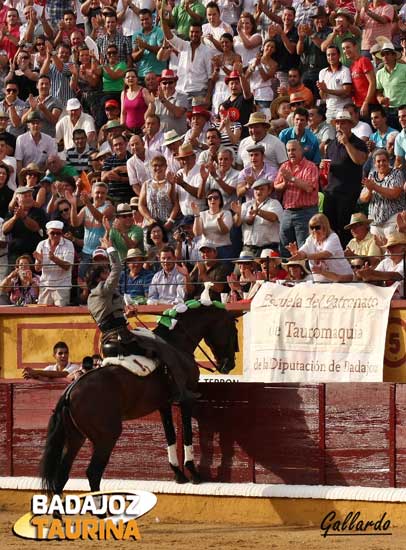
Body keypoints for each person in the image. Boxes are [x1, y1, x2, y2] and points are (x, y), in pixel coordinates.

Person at [86, 237, 199, 402]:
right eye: (104, 272)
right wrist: (110, 248)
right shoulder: (103, 289)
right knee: (161, 347)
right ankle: (177, 391)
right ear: (99, 278)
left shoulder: (91, 297)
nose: (107, 274)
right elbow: (117, 268)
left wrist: (126, 316)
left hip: (108, 338)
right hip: (122, 337)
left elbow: (108, 319)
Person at [322, 109, 368, 246]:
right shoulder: (330, 145)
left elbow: (360, 160)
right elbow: (327, 166)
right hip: (331, 193)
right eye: (338, 123)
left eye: (343, 123)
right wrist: (322, 167)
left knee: (346, 230)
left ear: (350, 125)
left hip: (348, 194)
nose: (340, 126)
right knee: (329, 229)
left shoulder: (358, 142)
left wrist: (347, 143)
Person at [274, 140, 319, 256]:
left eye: (293, 150)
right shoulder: (285, 166)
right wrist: (284, 184)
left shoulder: (310, 167)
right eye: (288, 150)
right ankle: (288, 273)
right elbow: (276, 186)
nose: (291, 153)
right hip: (287, 212)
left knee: (303, 248)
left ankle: (305, 273)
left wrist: (292, 179)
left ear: (301, 150)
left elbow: (309, 188)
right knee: (285, 247)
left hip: (305, 213)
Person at [287, 213, 353, 283]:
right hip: (321, 283)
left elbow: (325, 254)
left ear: (325, 227)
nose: (314, 230)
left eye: (317, 227)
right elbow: (303, 252)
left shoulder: (333, 237)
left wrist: (306, 256)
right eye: (312, 228)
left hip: (342, 280)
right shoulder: (310, 239)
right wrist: (296, 253)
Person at [360, 148, 406, 238]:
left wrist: (374, 187)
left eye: (384, 160)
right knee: (377, 251)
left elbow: (394, 194)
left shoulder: (397, 174)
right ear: (374, 163)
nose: (381, 163)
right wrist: (369, 190)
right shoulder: (372, 175)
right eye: (378, 161)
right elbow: (363, 199)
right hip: (375, 221)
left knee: (392, 250)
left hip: (393, 219)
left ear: (389, 161)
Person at [232, 178, 283, 256]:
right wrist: (238, 214)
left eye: (262, 189)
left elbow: (273, 217)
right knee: (240, 268)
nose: (258, 192)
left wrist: (258, 211)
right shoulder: (246, 205)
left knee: (267, 268)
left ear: (269, 191)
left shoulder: (274, 203)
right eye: (256, 189)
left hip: (268, 249)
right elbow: (236, 224)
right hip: (248, 248)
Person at [33, 220, 75, 306]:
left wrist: (54, 259)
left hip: (62, 286)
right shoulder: (41, 244)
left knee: (61, 315)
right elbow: (37, 269)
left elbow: (67, 266)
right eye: (52, 233)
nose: (55, 235)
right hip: (45, 285)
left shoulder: (69, 244)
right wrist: (40, 261)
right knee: (43, 314)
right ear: (47, 232)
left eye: (58, 233)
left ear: (62, 233)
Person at [357, 232, 406, 299]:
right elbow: (375, 277)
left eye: (392, 246)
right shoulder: (385, 262)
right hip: (387, 300)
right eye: (388, 247)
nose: (388, 249)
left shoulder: (404, 262)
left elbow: (397, 275)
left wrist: (371, 273)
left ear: (403, 249)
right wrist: (366, 276)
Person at [139, 155, 179, 229]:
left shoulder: (170, 183)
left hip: (167, 224)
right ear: (151, 167)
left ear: (166, 167)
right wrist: (150, 219)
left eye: (161, 165)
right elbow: (141, 205)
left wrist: (170, 220)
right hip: (150, 225)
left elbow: (176, 204)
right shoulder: (146, 184)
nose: (158, 168)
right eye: (155, 165)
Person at [191, 190, 233, 260]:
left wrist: (219, 221)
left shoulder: (226, 213)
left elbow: (224, 231)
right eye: (210, 198)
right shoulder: (202, 214)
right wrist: (196, 215)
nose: (212, 200)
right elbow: (197, 233)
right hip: (206, 250)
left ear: (220, 200)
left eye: (216, 197)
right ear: (207, 201)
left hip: (222, 249)